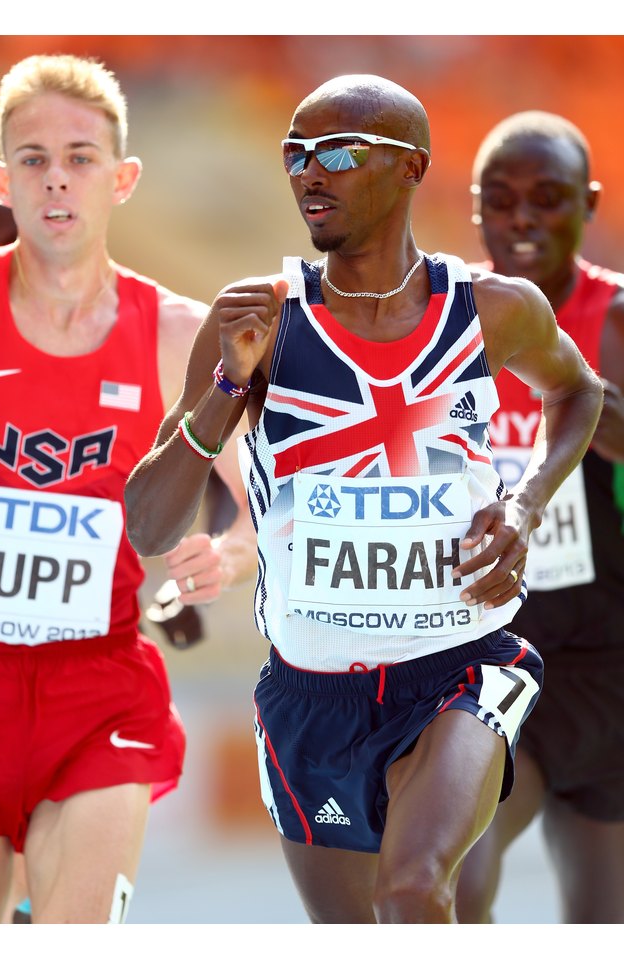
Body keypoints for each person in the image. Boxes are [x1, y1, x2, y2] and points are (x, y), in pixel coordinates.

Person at [124, 75, 603, 924]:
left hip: (458, 665)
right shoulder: (256, 319)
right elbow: (150, 522)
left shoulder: (493, 311)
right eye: (296, 155)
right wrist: (226, 389)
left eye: (339, 154)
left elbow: (579, 394)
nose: (311, 174)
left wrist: (525, 505)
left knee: (415, 891)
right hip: (312, 696)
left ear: (413, 167)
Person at [0, 53, 254, 925]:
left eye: (80, 158)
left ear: (123, 177)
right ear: (2, 179)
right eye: (33, 159)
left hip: (99, 689)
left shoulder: (178, 334)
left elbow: (270, 502)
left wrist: (230, 553)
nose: (56, 181)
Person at [455, 111, 624, 924]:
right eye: (502, 199)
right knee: (450, 881)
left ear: (588, 205)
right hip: (486, 653)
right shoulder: (443, 316)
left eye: (549, 198)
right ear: (476, 208)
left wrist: (584, 404)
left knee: (600, 921)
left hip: (606, 664)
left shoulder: (615, 318)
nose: (522, 218)